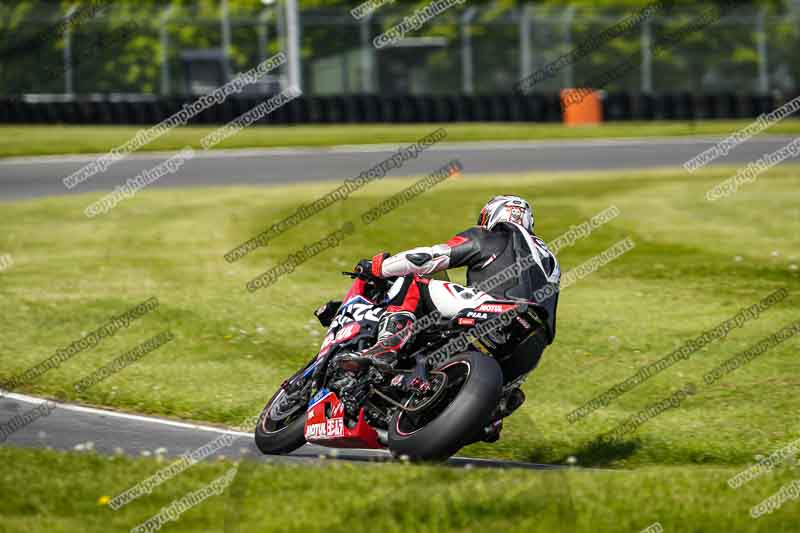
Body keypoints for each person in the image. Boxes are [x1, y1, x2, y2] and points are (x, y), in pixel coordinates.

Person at [336, 195, 561, 440]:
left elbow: (428, 258)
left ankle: (386, 347)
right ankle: (489, 412)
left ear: (491, 215)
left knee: (413, 282)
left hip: (493, 306)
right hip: (535, 340)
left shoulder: (494, 235)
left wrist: (379, 267)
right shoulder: (550, 259)